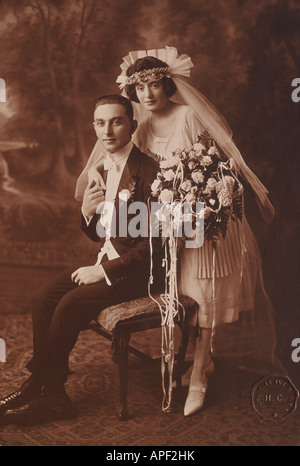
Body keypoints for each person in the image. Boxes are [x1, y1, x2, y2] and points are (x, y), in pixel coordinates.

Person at [76, 47, 282, 417]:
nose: (149, 94)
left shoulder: (187, 117)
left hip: (198, 225)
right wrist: (97, 178)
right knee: (176, 300)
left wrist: (194, 204)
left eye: (156, 85)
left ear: (168, 84)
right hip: (160, 229)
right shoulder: (136, 125)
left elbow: (220, 172)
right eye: (140, 89)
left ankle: (199, 372)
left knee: (200, 301)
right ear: (132, 93)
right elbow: (119, 164)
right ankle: (181, 361)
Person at [0, 94, 162, 424]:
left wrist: (102, 271)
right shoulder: (101, 168)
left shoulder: (151, 173)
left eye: (116, 121)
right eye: (100, 123)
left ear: (132, 124)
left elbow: (152, 246)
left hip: (138, 273)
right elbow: (100, 232)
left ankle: (37, 385)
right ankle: (55, 395)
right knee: (41, 297)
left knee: (70, 304)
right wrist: (87, 213)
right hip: (107, 260)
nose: (107, 130)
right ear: (94, 126)